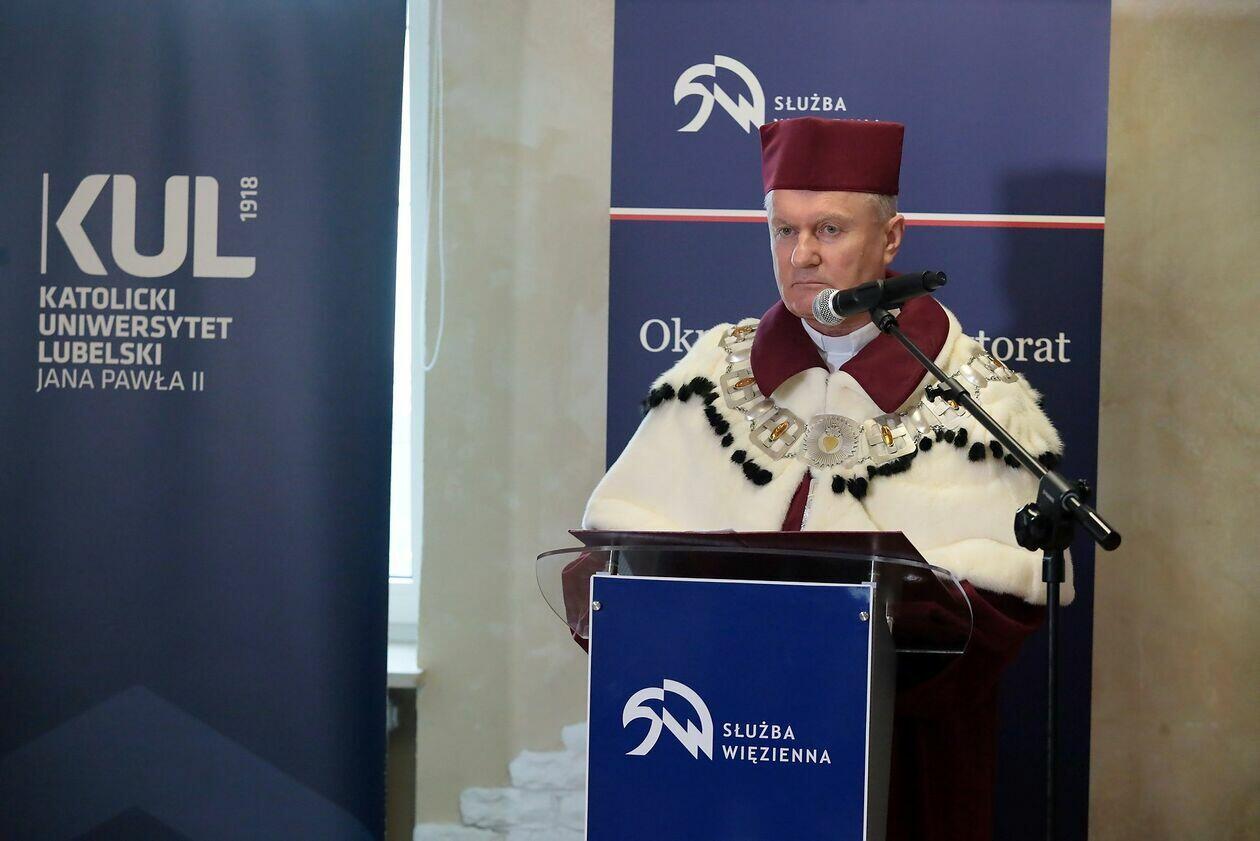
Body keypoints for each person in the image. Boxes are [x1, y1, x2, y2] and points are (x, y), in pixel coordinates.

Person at [579, 116, 1069, 841]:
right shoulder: (711, 374)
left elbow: (1000, 611)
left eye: (829, 230)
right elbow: (616, 567)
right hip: (717, 751)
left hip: (892, 762)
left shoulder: (976, 395)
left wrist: (847, 653)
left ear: (892, 239)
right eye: (784, 230)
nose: (801, 253)